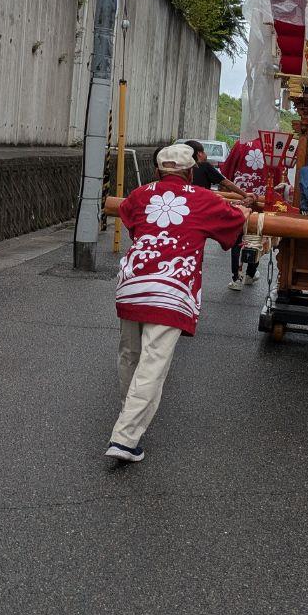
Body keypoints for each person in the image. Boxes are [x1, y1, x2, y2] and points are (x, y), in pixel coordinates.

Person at [105, 143, 248, 463]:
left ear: (158, 171)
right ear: (190, 172)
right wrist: (244, 213)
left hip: (133, 283)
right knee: (153, 361)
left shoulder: (141, 194)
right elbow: (232, 227)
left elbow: (131, 220)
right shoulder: (204, 199)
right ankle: (126, 437)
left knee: (130, 354)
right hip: (171, 288)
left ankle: (129, 415)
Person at [219, 138, 268, 289]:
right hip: (261, 197)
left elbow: (227, 171)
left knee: (238, 239)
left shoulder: (241, 143)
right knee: (257, 234)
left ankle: (236, 278)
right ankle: (250, 274)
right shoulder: (269, 144)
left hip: (241, 196)